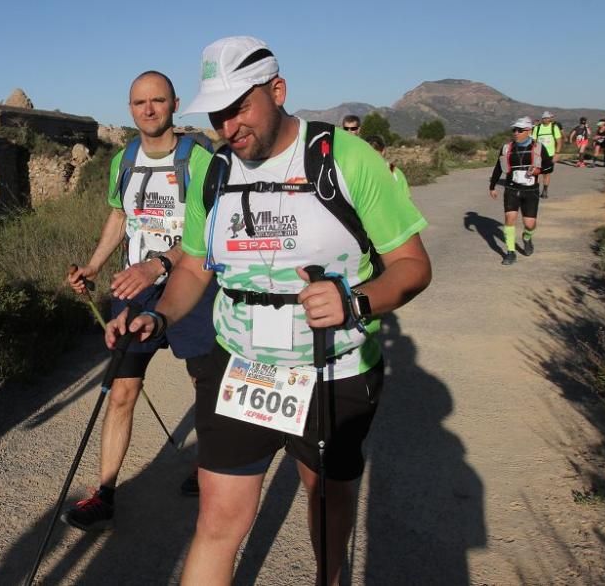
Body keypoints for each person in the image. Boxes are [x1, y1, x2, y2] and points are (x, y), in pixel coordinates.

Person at [105, 36, 431, 585]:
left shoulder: (344, 158)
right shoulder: (214, 171)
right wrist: (159, 315)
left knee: (326, 507)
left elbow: (412, 265)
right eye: (217, 114)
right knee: (217, 519)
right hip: (242, 367)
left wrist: (356, 301)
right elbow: (192, 267)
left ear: (278, 91)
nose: (228, 126)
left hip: (332, 368)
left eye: (240, 108)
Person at [63, 70, 219, 531]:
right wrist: (94, 265)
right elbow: (120, 214)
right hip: (134, 287)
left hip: (190, 284)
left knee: (202, 382)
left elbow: (209, 234)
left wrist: (161, 263)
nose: (148, 110)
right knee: (121, 391)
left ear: (174, 103)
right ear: (129, 108)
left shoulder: (201, 160)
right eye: (138, 103)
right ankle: (104, 492)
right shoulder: (124, 159)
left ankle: (208, 467)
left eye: (157, 100)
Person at [488, 117, 553, 265]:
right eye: (514, 130)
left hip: (531, 191)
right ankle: (510, 252)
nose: (516, 133)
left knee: (529, 224)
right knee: (510, 219)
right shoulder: (507, 148)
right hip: (511, 188)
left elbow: (549, 167)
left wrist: (538, 170)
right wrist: (492, 186)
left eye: (520, 130)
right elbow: (498, 167)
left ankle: (527, 237)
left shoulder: (538, 148)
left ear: (529, 131)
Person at [532, 111, 562, 198]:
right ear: (542, 119)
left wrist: (557, 153)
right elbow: (534, 141)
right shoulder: (537, 128)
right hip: (538, 155)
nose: (545, 120)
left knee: (547, 173)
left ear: (550, 119)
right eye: (544, 118)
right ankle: (535, 190)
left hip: (550, 154)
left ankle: (545, 190)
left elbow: (559, 141)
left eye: (547, 118)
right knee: (536, 173)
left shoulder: (554, 127)